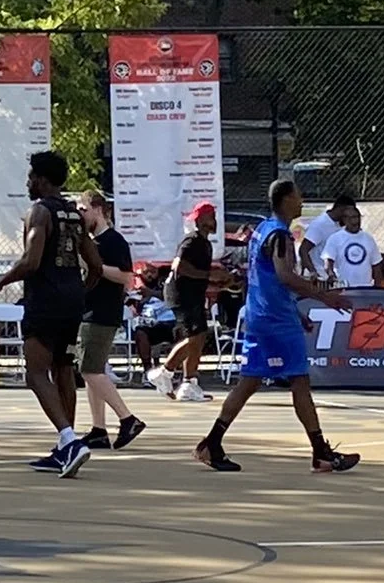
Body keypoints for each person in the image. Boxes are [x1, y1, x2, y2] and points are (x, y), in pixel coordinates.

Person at [194, 179, 360, 474]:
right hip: (275, 322)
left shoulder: (262, 230)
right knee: (298, 382)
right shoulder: (280, 236)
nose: (301, 201)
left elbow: (267, 280)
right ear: (285, 200)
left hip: (263, 315)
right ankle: (320, 452)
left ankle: (212, 442)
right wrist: (326, 298)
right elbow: (285, 277)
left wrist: (296, 312)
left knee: (250, 382)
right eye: (298, 196)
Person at [0, 150, 104, 478]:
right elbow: (96, 266)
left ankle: (69, 441)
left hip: (45, 300)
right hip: (72, 301)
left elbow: (32, 260)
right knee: (63, 369)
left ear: (41, 179)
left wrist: (0, 282)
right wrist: (79, 292)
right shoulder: (74, 215)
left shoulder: (40, 212)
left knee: (35, 373)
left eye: (30, 177)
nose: (27, 183)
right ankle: (65, 446)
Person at [76, 190, 145, 451]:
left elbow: (125, 276)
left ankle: (127, 419)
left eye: (83, 209)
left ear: (98, 209)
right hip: (89, 311)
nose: (81, 215)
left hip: (103, 313)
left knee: (89, 370)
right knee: (92, 371)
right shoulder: (92, 241)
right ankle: (98, 429)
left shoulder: (113, 241)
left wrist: (95, 266)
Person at [148, 203, 221, 403]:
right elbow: (179, 267)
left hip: (192, 295)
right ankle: (165, 371)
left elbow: (201, 274)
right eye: (210, 216)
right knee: (196, 336)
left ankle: (189, 383)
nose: (214, 220)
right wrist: (209, 276)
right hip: (181, 295)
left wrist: (221, 280)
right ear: (200, 220)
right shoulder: (192, 241)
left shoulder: (205, 244)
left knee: (199, 335)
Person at [319, 203, 384, 289]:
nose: (355, 221)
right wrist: (331, 275)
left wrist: (377, 288)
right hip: (344, 288)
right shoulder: (335, 238)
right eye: (351, 218)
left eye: (357, 217)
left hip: (366, 288)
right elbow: (328, 261)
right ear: (344, 220)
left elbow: (376, 265)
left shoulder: (368, 239)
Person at [297, 193, 357, 276]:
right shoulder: (320, 224)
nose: (350, 218)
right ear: (341, 209)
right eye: (348, 214)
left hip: (335, 276)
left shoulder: (340, 225)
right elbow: (303, 250)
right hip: (320, 276)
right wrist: (313, 272)